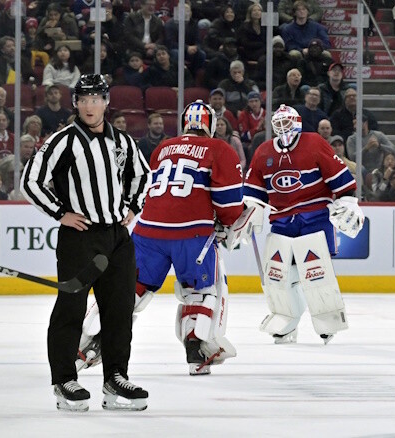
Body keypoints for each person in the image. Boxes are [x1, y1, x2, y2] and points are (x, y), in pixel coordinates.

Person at [75, 100, 250, 377]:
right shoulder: (219, 149)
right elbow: (229, 203)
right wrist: (232, 222)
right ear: (211, 126)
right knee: (202, 292)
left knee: (131, 289)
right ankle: (197, 351)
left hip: (148, 231)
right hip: (192, 234)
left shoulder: (164, 147)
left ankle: (87, 343)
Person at [21, 74, 150, 412]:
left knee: (120, 310)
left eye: (96, 99)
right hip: (80, 238)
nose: (90, 105)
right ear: (75, 103)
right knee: (72, 309)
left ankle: (116, 377)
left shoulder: (122, 141)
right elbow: (31, 181)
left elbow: (142, 174)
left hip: (117, 238)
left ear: (107, 102)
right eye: (84, 99)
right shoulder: (63, 140)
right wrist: (61, 212)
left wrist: (133, 206)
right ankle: (64, 379)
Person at [242, 104, 364, 344]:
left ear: (297, 123)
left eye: (287, 123)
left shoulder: (314, 143)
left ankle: (327, 319)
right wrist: (250, 213)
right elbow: (254, 193)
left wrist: (348, 201)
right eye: (279, 124)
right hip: (281, 220)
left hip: (315, 216)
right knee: (279, 275)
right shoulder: (264, 151)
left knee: (315, 271)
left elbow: (341, 181)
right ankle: (286, 322)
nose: (283, 129)